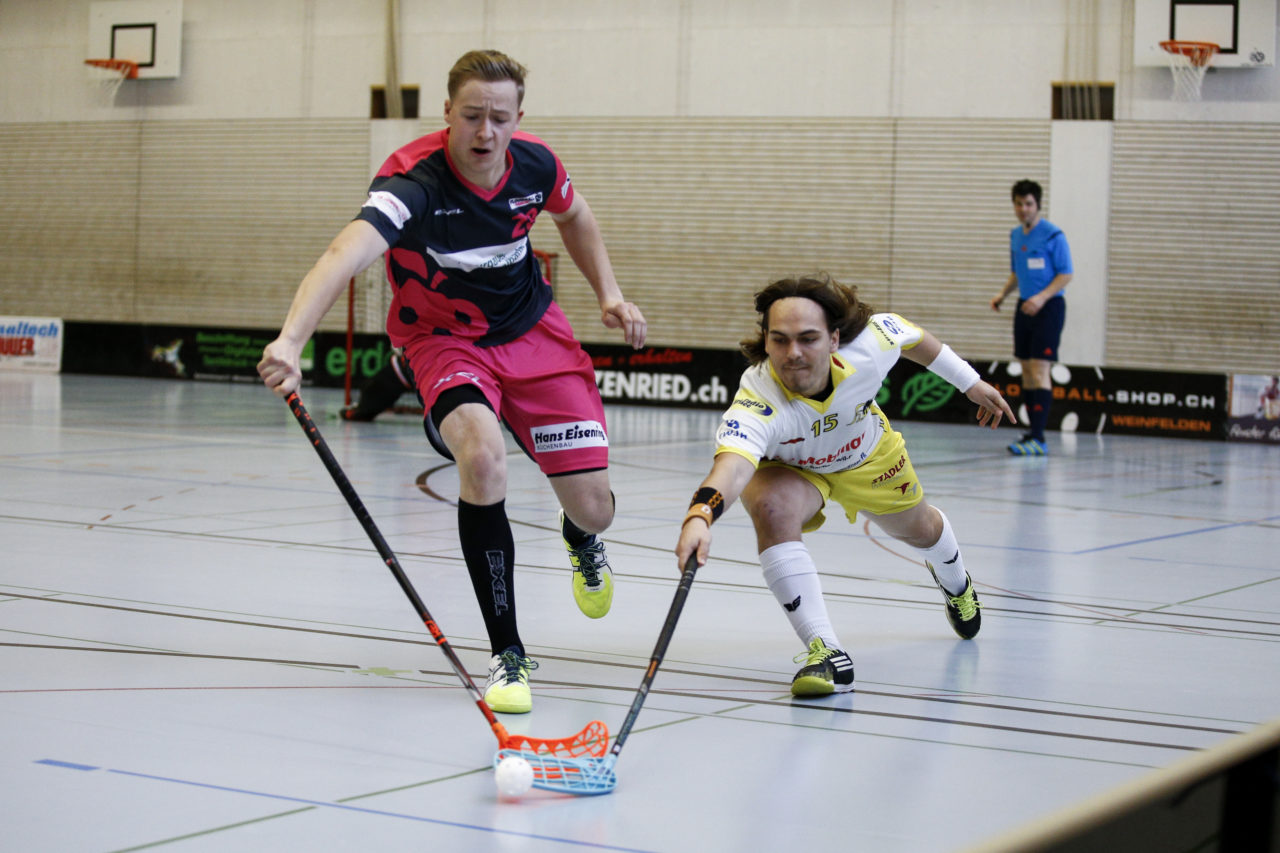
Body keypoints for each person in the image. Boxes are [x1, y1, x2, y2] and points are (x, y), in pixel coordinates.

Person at [258, 49, 646, 714]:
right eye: (472, 116)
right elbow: (342, 253)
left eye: (500, 118)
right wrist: (291, 339)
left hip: (534, 334)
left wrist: (609, 293)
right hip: (442, 340)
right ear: (447, 113)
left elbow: (576, 217)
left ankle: (580, 535)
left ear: (519, 117)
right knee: (483, 457)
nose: (485, 132)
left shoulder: (536, 166)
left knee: (595, 507)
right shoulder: (414, 181)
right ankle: (508, 652)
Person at [674, 273, 1016, 697]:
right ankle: (827, 652)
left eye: (808, 338)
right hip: (795, 471)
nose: (793, 353)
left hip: (867, 455)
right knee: (770, 505)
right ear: (765, 341)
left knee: (923, 530)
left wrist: (970, 383)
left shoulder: (868, 348)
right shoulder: (758, 400)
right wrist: (700, 515)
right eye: (779, 340)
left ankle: (957, 582)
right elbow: (732, 467)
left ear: (834, 339)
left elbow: (912, 337)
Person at [989, 179, 1073, 456]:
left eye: (1028, 204)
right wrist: (1003, 294)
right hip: (1024, 308)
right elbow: (1017, 272)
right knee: (1026, 371)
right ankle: (1031, 434)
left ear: (1037, 205)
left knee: (1040, 370)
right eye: (1018, 204)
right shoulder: (1016, 235)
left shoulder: (1053, 236)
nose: (1023, 209)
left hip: (1048, 309)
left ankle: (1039, 437)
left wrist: (1041, 297)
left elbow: (1065, 274)